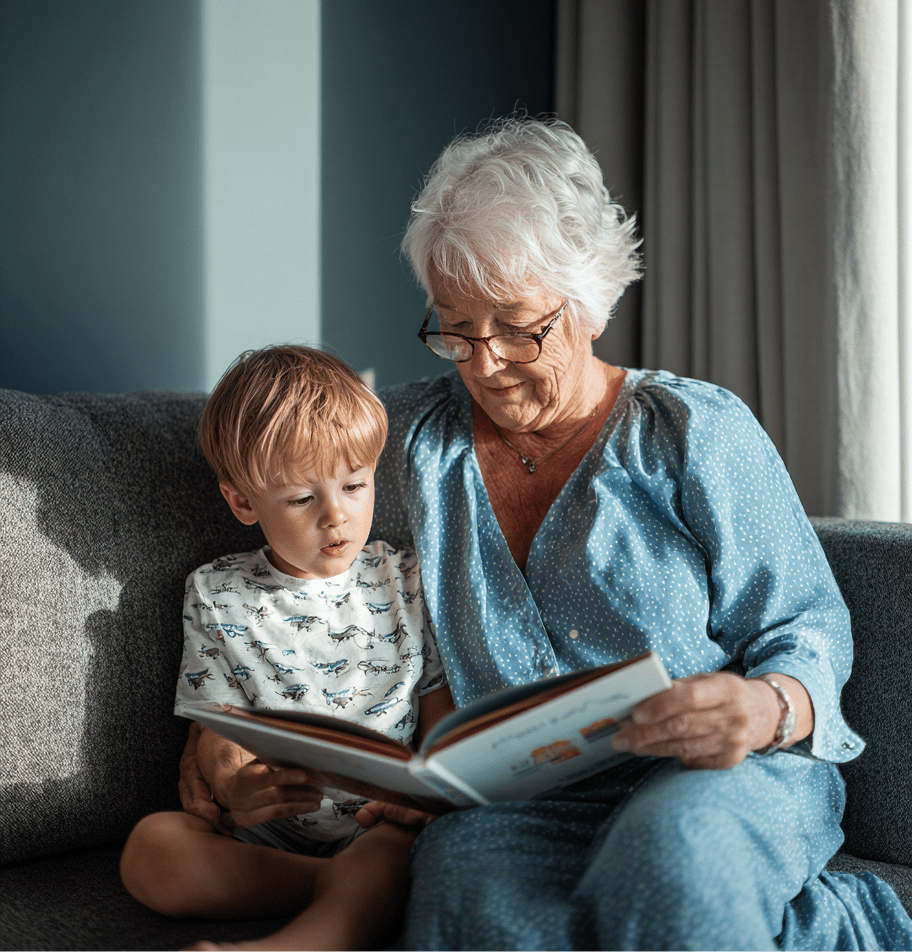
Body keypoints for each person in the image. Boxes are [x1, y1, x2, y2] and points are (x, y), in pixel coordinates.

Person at [178, 118, 912, 951]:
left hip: (716, 772)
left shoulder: (690, 430)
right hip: (519, 796)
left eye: (518, 327)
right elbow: (292, 497)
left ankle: (857, 925)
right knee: (467, 904)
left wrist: (767, 705)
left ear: (590, 301)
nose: (484, 363)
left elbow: (806, 622)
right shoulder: (411, 439)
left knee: (667, 863)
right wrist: (216, 739)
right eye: (455, 328)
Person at [119, 345, 453, 952]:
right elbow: (216, 730)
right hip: (266, 840)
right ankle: (338, 886)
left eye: (355, 485)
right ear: (243, 502)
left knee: (393, 852)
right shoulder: (217, 592)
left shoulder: (404, 578)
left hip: (379, 827)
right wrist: (235, 787)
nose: (337, 517)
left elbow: (438, 714)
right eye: (302, 499)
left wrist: (432, 791)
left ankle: (303, 940)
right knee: (153, 849)